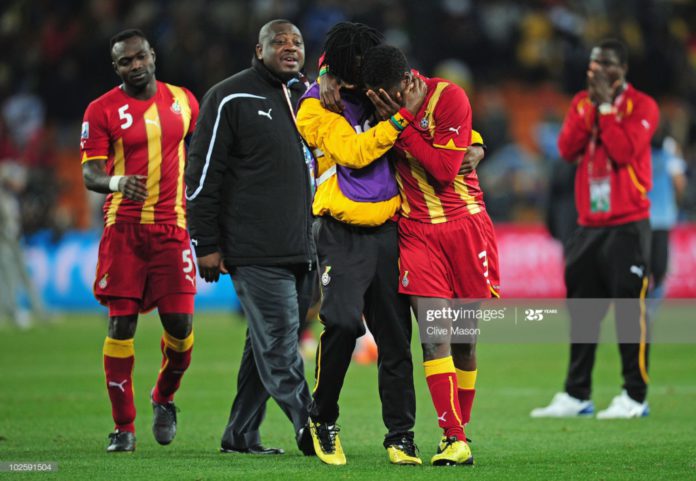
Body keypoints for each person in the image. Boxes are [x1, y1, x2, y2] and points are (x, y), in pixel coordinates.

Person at [360, 44, 499, 466]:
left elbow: (442, 173)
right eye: (377, 97)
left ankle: (460, 429)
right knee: (434, 335)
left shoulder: (448, 97)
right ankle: (453, 437)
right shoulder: (382, 103)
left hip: (465, 227)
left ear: (406, 82)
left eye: (390, 96)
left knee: (464, 343)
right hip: (417, 234)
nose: (384, 104)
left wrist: (402, 126)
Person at [295, 21, 426, 466]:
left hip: (389, 230)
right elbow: (352, 152)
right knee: (345, 325)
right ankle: (323, 417)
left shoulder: (379, 93)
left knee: (394, 339)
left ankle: (401, 435)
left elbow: (423, 90)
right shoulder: (314, 105)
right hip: (340, 231)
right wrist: (400, 117)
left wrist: (476, 138)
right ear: (342, 67)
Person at [185, 19, 316, 456]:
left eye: (296, 41)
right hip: (254, 248)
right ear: (258, 51)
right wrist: (204, 242)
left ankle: (240, 433)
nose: (289, 47)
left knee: (267, 344)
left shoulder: (305, 99)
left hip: (301, 245)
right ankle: (312, 424)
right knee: (280, 342)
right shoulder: (229, 96)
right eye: (278, 42)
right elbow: (203, 174)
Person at [80, 29, 199, 452]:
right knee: (120, 324)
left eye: (140, 57)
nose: (135, 65)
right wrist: (115, 181)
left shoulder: (184, 101)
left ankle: (163, 397)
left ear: (153, 56)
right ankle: (123, 427)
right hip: (124, 230)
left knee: (181, 331)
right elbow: (90, 173)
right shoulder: (100, 110)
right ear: (116, 67)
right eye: (125, 61)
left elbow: (200, 159)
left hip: (172, 229)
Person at [530, 39, 659, 419]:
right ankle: (577, 394)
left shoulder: (643, 106)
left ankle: (635, 397)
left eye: (606, 64)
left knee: (627, 312)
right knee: (584, 313)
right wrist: (592, 108)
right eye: (593, 64)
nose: (597, 71)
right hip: (588, 226)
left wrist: (604, 108)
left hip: (628, 225)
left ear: (623, 69)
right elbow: (567, 148)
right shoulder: (580, 103)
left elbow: (622, 151)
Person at [647, 131, 686, 318]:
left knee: (642, 264)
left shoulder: (638, 156)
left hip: (642, 219)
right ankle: (652, 306)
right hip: (662, 218)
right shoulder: (669, 157)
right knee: (660, 267)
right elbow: (680, 184)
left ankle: (644, 303)